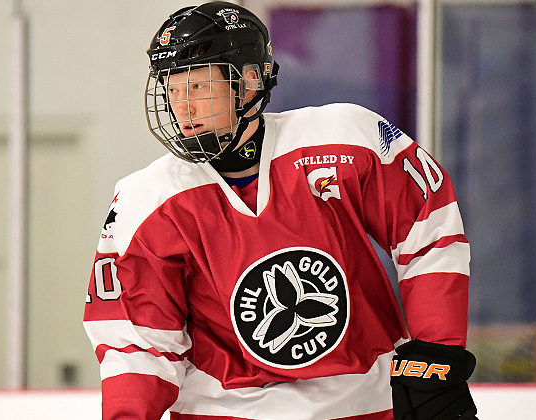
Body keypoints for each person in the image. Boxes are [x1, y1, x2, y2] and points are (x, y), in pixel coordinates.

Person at [83, 2, 478, 419]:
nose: (183, 107)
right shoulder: (145, 200)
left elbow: (428, 233)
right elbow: (139, 341)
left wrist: (437, 354)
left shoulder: (347, 140)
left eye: (198, 87)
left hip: (368, 403)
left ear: (250, 80)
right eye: (172, 89)